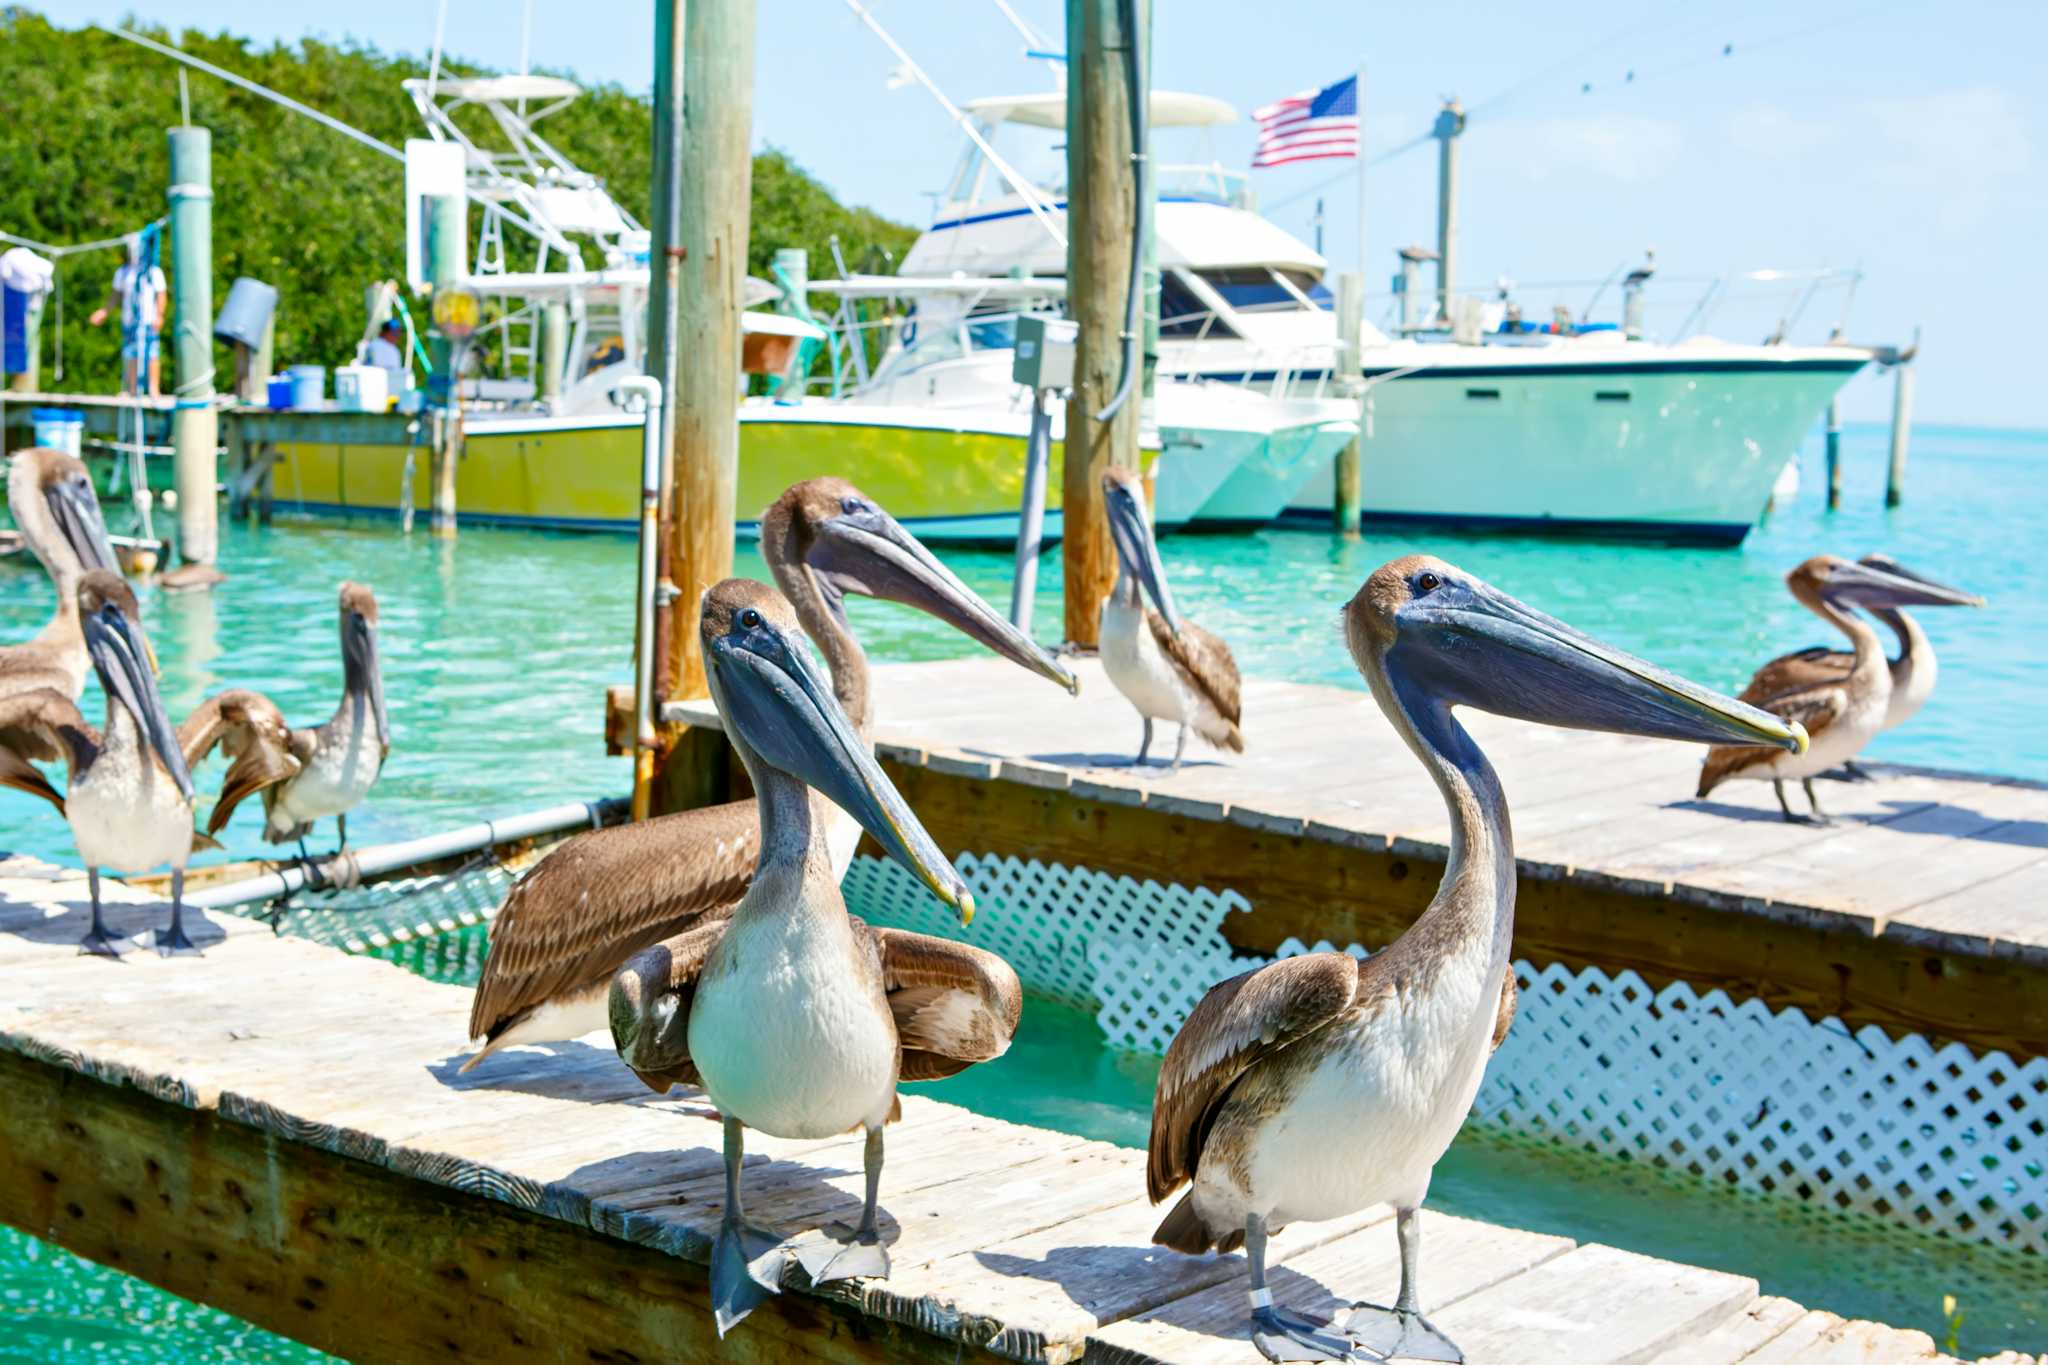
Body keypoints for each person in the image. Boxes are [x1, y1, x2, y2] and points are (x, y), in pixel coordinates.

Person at [88, 236, 166, 396]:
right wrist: (104, 311)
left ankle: (153, 389)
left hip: (148, 320)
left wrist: (159, 315)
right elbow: (116, 296)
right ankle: (132, 389)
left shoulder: (153, 271)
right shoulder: (122, 272)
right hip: (130, 320)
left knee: (152, 353)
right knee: (131, 353)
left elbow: (161, 295)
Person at [364, 317, 408, 390]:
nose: (397, 336)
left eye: (398, 333)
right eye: (395, 333)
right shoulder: (374, 346)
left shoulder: (394, 349)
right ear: (386, 332)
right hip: (376, 388)